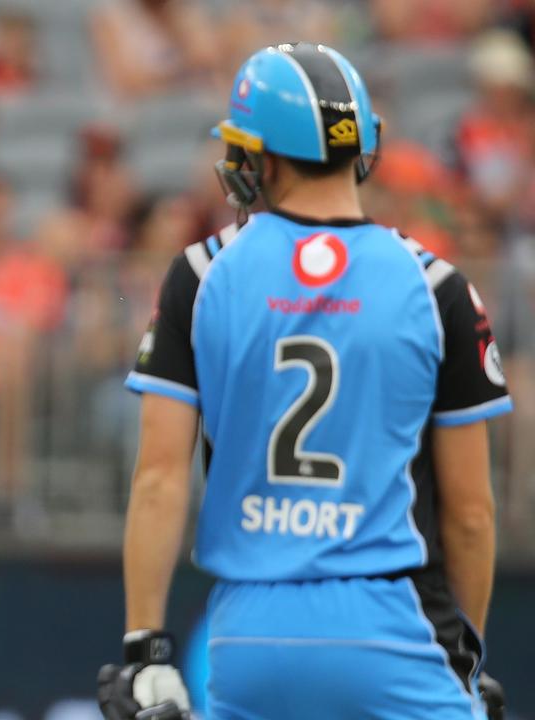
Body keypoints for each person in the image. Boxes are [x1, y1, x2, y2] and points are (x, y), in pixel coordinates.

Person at [98, 43, 511, 719]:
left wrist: (145, 648)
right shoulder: (438, 287)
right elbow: (471, 513)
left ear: (266, 154)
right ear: (363, 148)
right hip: (396, 629)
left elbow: (158, 480)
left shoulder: (201, 275)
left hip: (251, 633)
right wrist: (467, 653)